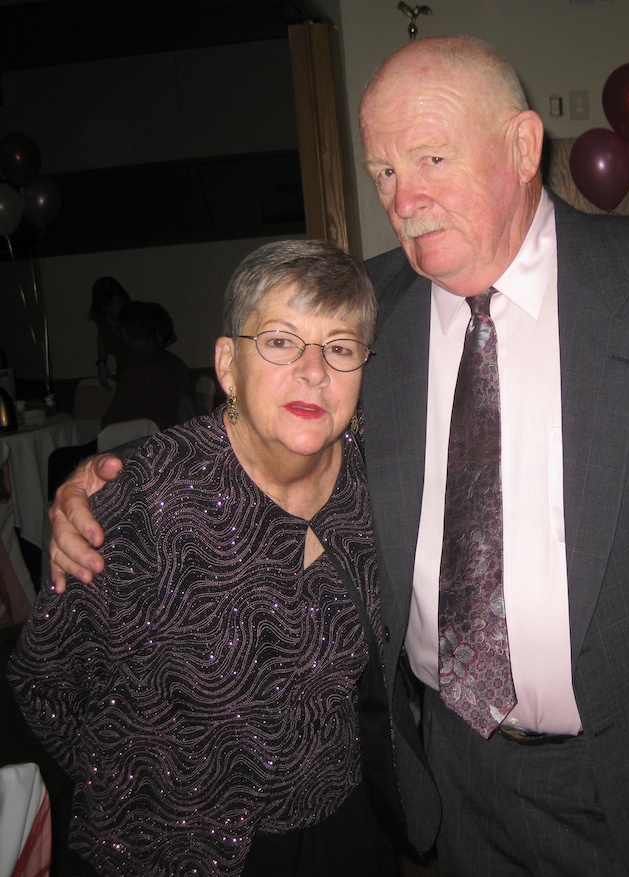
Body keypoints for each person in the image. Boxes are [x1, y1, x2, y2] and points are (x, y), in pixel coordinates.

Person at [48, 37, 629, 877]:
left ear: (524, 146)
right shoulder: (367, 308)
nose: (403, 197)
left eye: (431, 157)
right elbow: (269, 436)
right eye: (382, 170)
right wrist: (112, 492)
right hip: (454, 772)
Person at [9, 241, 397, 877]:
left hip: (345, 830)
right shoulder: (147, 499)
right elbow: (45, 679)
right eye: (279, 341)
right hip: (182, 850)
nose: (313, 371)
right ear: (227, 364)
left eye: (340, 347)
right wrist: (149, 793)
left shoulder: (379, 481)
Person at [100, 300, 195, 431]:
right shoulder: (176, 363)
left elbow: (112, 425)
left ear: (124, 333)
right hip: (176, 441)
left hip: (146, 445)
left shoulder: (138, 369)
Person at [88, 276, 131, 387]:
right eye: (109, 306)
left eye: (118, 303)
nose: (115, 309)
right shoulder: (101, 318)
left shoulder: (134, 313)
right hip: (123, 369)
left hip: (141, 368)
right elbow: (102, 336)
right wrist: (102, 363)